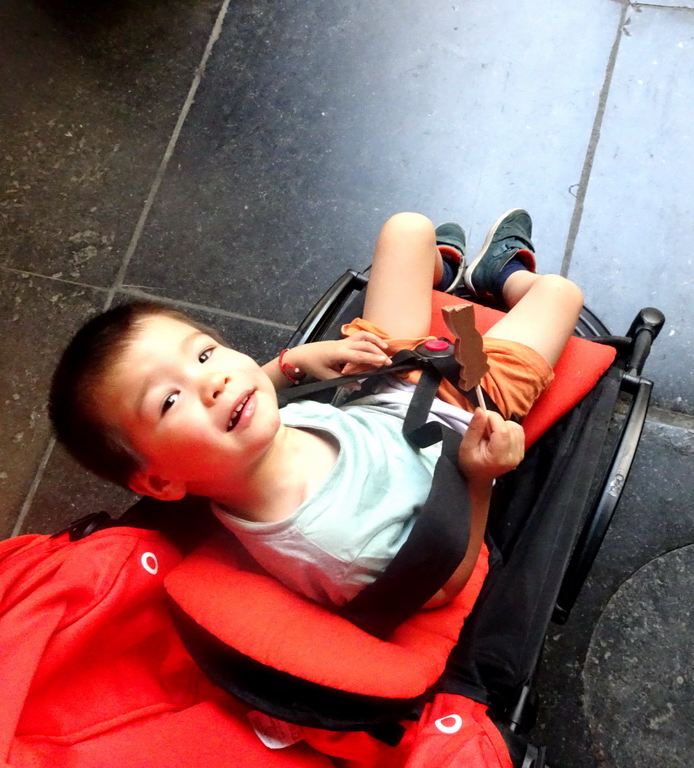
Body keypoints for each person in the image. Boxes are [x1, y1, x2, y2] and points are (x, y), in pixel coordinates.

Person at [48, 209, 583, 611]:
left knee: (407, 229)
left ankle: (438, 271)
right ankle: (500, 279)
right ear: (160, 484)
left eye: (205, 353)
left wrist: (293, 360)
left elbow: (240, 385)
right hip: (463, 411)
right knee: (560, 293)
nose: (214, 382)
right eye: (168, 400)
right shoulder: (335, 545)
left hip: (380, 384)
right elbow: (442, 589)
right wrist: (481, 479)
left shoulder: (231, 443)